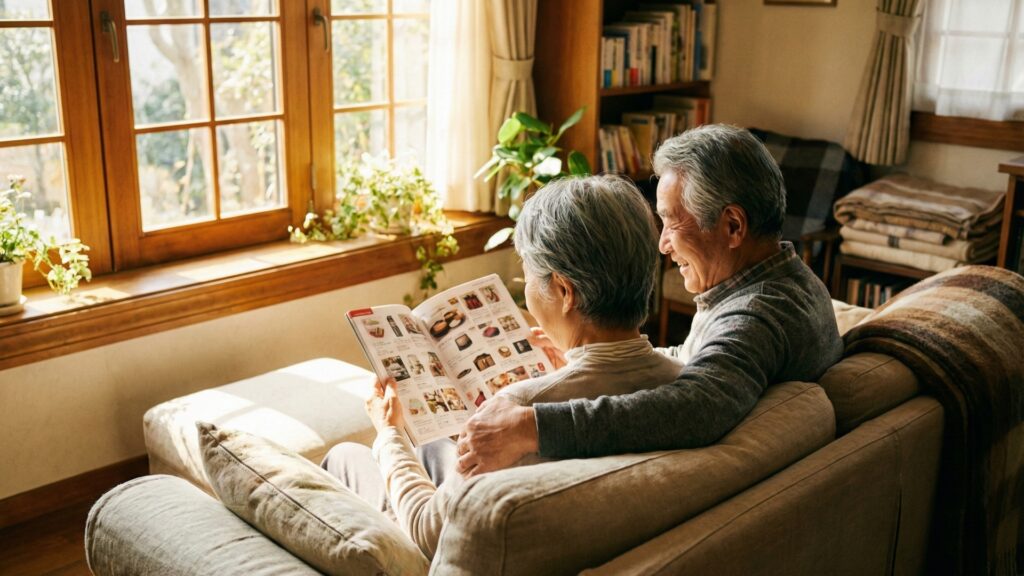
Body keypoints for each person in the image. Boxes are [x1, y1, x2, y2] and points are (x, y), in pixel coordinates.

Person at [322, 175, 685, 558]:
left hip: (460, 547)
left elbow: (429, 531)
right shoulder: (686, 386)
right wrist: (568, 365)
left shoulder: (515, 419)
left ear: (565, 292)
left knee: (347, 457)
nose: (527, 290)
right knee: (430, 448)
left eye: (528, 275)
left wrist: (390, 433)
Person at [454, 123, 844, 477]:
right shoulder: (792, 280)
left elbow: (692, 408)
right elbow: (704, 362)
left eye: (672, 221)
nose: (661, 245)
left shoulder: (756, 315)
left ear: (733, 226)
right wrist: (599, 358)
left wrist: (532, 426)